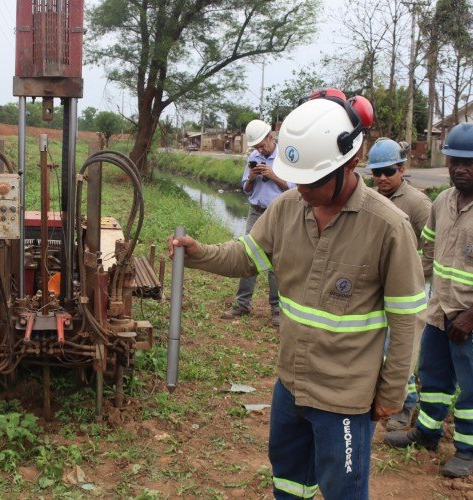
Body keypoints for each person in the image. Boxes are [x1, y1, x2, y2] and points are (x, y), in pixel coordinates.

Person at [170, 90, 425, 499]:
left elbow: (408, 318)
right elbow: (246, 256)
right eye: (298, 176)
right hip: (290, 384)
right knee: (289, 481)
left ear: (351, 162)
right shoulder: (288, 207)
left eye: (314, 179)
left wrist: (392, 392)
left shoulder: (388, 227)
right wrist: (200, 254)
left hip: (345, 398)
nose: (302, 187)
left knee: (343, 489)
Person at [384, 122, 473, 478]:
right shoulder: (443, 201)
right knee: (431, 378)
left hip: (471, 320)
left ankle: (468, 449)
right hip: (438, 312)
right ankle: (427, 433)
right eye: (454, 161)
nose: (460, 168)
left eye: (469, 163)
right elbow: (427, 252)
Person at [365, 138, 433, 431]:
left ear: (402, 169)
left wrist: (412, 277)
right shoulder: (371, 197)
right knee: (379, 345)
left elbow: (432, 250)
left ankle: (405, 406)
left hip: (405, 291)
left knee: (401, 348)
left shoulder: (418, 204)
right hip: (377, 288)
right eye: (376, 172)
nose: (382, 178)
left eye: (389, 172)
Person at [221, 119, 293, 326]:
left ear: (272, 137)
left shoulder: (285, 158)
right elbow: (246, 188)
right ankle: (243, 304)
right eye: (257, 147)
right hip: (256, 213)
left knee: (275, 263)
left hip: (279, 214)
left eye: (263, 145)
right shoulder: (254, 157)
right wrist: (252, 177)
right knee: (249, 256)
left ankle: (276, 311)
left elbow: (295, 190)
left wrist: (274, 176)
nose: (260, 150)